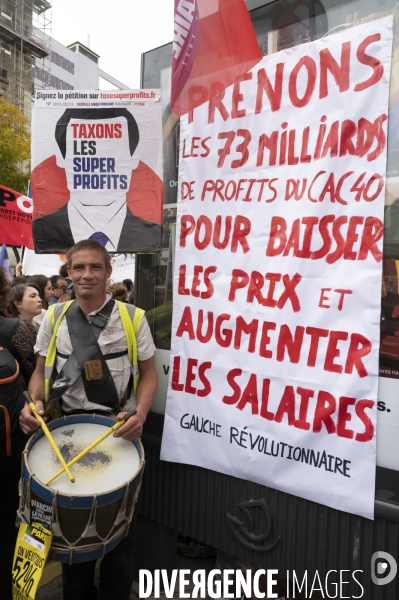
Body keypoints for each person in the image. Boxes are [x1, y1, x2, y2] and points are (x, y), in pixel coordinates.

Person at [20, 239, 158, 600]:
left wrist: (140, 413)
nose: (86, 274)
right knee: (72, 549)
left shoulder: (133, 318)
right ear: (68, 273)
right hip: (64, 432)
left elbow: (149, 374)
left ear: (108, 273)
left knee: (119, 547)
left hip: (118, 431)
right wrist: (34, 402)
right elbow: (38, 372)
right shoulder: (53, 317)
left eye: (96, 267)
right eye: (78, 267)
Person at [31, 108, 163, 253]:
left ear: (134, 158)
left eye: (112, 153)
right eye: (83, 151)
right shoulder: (42, 232)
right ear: (61, 158)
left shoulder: (150, 235)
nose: (99, 164)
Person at [0, 268, 37, 600]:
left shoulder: (15, 330)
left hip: (12, 457)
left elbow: (35, 379)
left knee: (16, 535)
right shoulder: (17, 330)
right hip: (10, 456)